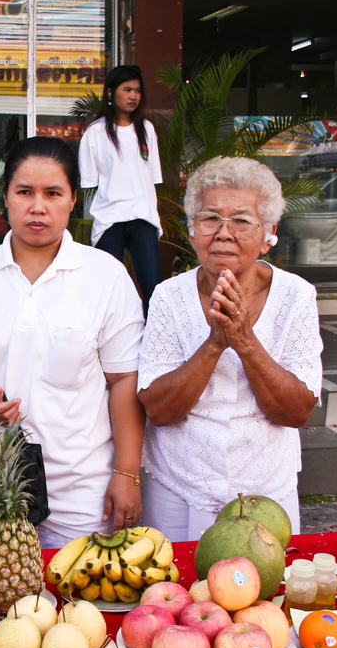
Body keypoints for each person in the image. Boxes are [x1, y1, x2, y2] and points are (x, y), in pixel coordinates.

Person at [0, 137, 146, 548]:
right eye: (24, 192)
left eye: (53, 193)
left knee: (82, 604)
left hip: (84, 487)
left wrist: (127, 474)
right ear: (6, 198)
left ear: (72, 200)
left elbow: (124, 380)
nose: (38, 206)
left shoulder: (106, 277)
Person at [138, 157, 322, 542]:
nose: (224, 233)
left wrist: (243, 340)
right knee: (172, 595)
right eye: (210, 219)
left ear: (268, 232)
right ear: (192, 232)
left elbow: (295, 410)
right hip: (177, 487)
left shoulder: (296, 297)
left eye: (241, 220)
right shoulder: (169, 297)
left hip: (266, 493)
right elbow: (159, 410)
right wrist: (215, 344)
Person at [79, 65, 163, 309]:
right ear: (110, 92)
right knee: (106, 287)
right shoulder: (95, 133)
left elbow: (152, 175)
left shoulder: (146, 129)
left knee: (153, 285)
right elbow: (90, 183)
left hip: (143, 216)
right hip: (110, 218)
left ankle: (156, 341)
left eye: (137, 90)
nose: (133, 96)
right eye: (127, 89)